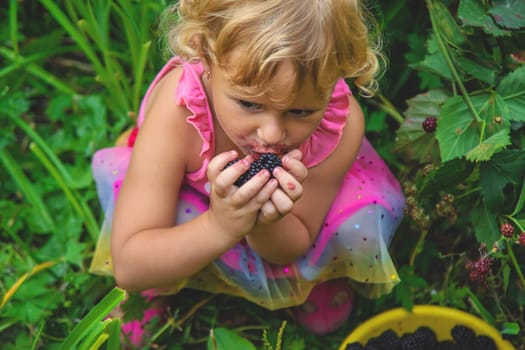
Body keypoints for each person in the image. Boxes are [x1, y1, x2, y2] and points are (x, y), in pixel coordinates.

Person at [89, 0, 405, 345]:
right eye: (249, 104)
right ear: (205, 56)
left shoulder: (338, 126)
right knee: (159, 244)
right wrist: (218, 226)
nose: (271, 134)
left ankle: (316, 276)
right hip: (190, 203)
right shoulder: (177, 112)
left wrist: (266, 220)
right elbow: (130, 264)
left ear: (336, 80)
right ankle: (159, 285)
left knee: (349, 219)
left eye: (300, 111)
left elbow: (295, 241)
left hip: (293, 216)